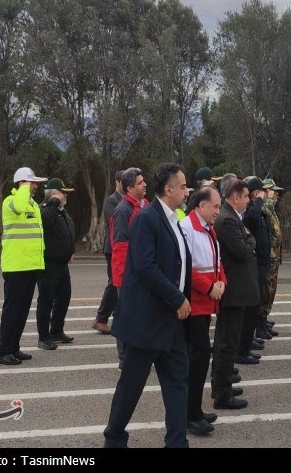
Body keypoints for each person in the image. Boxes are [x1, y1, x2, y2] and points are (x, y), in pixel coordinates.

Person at [103, 163, 192, 448]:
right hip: (146, 322)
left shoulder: (175, 218)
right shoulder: (146, 218)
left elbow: (178, 263)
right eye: (183, 186)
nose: (187, 191)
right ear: (168, 189)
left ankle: (177, 443)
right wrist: (177, 297)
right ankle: (114, 438)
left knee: (178, 382)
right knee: (131, 386)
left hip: (171, 322)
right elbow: (145, 266)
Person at [180, 187, 226, 436]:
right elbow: (186, 268)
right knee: (197, 359)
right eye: (215, 206)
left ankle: (194, 409)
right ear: (201, 206)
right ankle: (190, 414)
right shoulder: (187, 228)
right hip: (194, 304)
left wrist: (221, 282)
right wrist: (209, 287)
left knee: (199, 359)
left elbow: (217, 262)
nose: (218, 211)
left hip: (206, 301)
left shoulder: (208, 229)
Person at [212, 178, 256, 410]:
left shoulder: (232, 216)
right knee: (227, 343)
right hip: (232, 291)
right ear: (236, 197)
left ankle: (222, 384)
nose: (248, 201)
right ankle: (222, 393)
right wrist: (250, 240)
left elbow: (247, 240)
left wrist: (248, 239)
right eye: (246, 196)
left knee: (226, 340)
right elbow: (242, 250)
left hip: (235, 290)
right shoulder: (228, 219)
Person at [0, 167, 48, 366]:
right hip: (16, 265)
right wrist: (24, 188)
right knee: (12, 310)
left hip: (30, 264)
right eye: (32, 182)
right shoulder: (11, 201)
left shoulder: (32, 204)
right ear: (22, 183)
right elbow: (18, 207)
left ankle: (14, 347)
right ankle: (4, 352)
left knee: (22, 310)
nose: (36, 186)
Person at [109, 167, 147, 368]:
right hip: (127, 274)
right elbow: (120, 246)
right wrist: (125, 276)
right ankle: (124, 357)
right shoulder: (123, 210)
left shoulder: (144, 204)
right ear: (130, 188)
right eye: (140, 183)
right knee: (125, 314)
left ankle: (135, 352)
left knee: (138, 313)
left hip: (140, 271)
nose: (144, 185)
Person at [35, 178, 77, 350]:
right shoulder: (45, 210)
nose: (66, 196)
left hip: (62, 263)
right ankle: (44, 337)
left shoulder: (61, 211)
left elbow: (68, 230)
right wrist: (52, 203)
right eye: (63, 193)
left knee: (64, 298)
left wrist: (71, 250)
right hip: (48, 264)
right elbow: (45, 222)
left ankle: (57, 331)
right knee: (46, 301)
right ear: (53, 195)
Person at [241, 176, 270, 360]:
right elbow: (252, 217)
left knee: (256, 302)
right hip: (255, 262)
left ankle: (249, 338)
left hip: (262, 260)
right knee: (251, 305)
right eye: (261, 191)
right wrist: (258, 200)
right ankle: (245, 342)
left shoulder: (257, 209)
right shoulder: (251, 209)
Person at [93, 171, 124, 335]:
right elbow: (117, 223)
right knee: (114, 283)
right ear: (117, 182)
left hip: (121, 247)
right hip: (112, 248)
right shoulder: (112, 201)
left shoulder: (127, 200)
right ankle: (101, 318)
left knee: (120, 283)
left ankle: (117, 317)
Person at [259, 177, 284, 337]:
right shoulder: (263, 208)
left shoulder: (271, 209)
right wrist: (267, 199)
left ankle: (264, 318)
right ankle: (260, 322)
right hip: (268, 258)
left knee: (271, 291)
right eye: (273, 191)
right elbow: (265, 211)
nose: (277, 195)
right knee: (265, 291)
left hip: (274, 258)